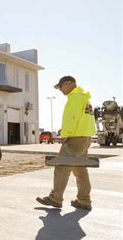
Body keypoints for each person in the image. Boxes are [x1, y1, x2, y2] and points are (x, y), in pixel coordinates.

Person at [36, 76, 96, 210]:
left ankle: (55, 198)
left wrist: (64, 135)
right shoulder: (84, 98)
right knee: (80, 169)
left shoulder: (75, 98)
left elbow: (72, 118)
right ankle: (84, 200)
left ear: (69, 83)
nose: (60, 90)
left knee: (62, 167)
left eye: (61, 86)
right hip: (85, 136)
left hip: (75, 138)